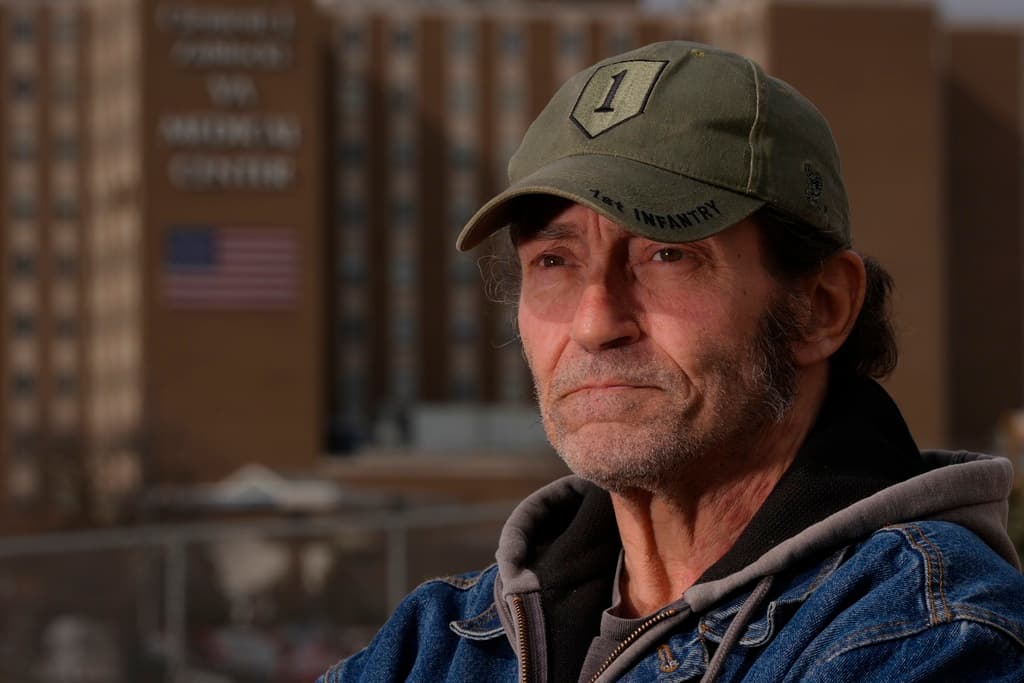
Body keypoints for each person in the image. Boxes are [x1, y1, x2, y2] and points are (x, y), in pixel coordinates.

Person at [318, 40, 1024, 682]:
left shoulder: (925, 637)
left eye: (667, 255)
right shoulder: (442, 642)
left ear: (821, 306)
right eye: (555, 261)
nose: (595, 323)